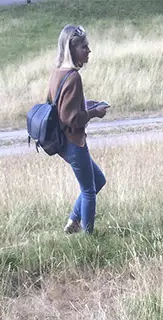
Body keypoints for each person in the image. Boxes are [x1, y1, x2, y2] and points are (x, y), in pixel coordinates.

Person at [48, 24, 110, 234]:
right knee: (89, 191)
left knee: (98, 180)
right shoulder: (74, 77)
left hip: (62, 142)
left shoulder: (57, 72)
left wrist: (88, 104)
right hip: (74, 141)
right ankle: (88, 237)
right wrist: (95, 113)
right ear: (71, 49)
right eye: (84, 47)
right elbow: (72, 118)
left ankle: (74, 221)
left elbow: (56, 104)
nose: (88, 51)